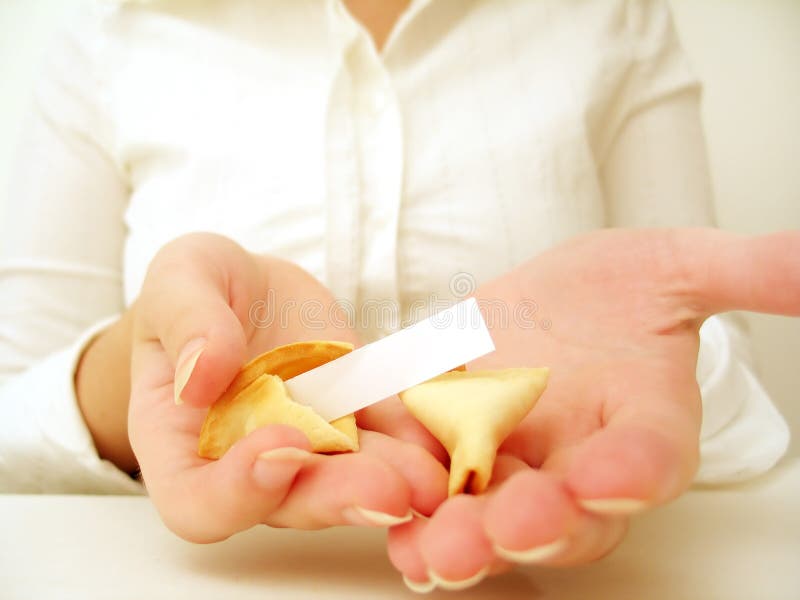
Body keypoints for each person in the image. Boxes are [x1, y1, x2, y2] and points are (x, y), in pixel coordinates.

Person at [0, 0, 796, 593]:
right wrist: (151, 347)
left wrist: (655, 356)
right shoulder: (110, 29)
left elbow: (723, 390)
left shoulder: (611, 18)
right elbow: (10, 413)